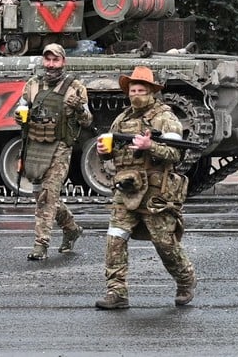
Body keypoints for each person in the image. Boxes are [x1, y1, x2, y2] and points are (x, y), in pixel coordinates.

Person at [95, 67, 196, 310]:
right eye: (132, 90)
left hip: (155, 192)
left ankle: (185, 279)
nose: (136, 94)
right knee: (115, 239)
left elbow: (176, 155)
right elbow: (115, 155)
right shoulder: (122, 119)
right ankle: (116, 291)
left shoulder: (165, 118)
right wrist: (105, 152)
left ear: (151, 92)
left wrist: (151, 146)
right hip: (126, 189)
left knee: (164, 244)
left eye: (141, 90)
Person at [14, 43, 91, 261]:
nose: (51, 64)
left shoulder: (75, 87)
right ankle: (72, 228)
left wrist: (78, 108)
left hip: (60, 147)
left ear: (63, 62)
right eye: (47, 59)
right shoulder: (33, 85)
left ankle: (41, 245)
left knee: (47, 195)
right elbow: (21, 109)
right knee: (42, 195)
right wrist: (19, 115)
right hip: (36, 145)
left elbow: (88, 120)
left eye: (55, 60)